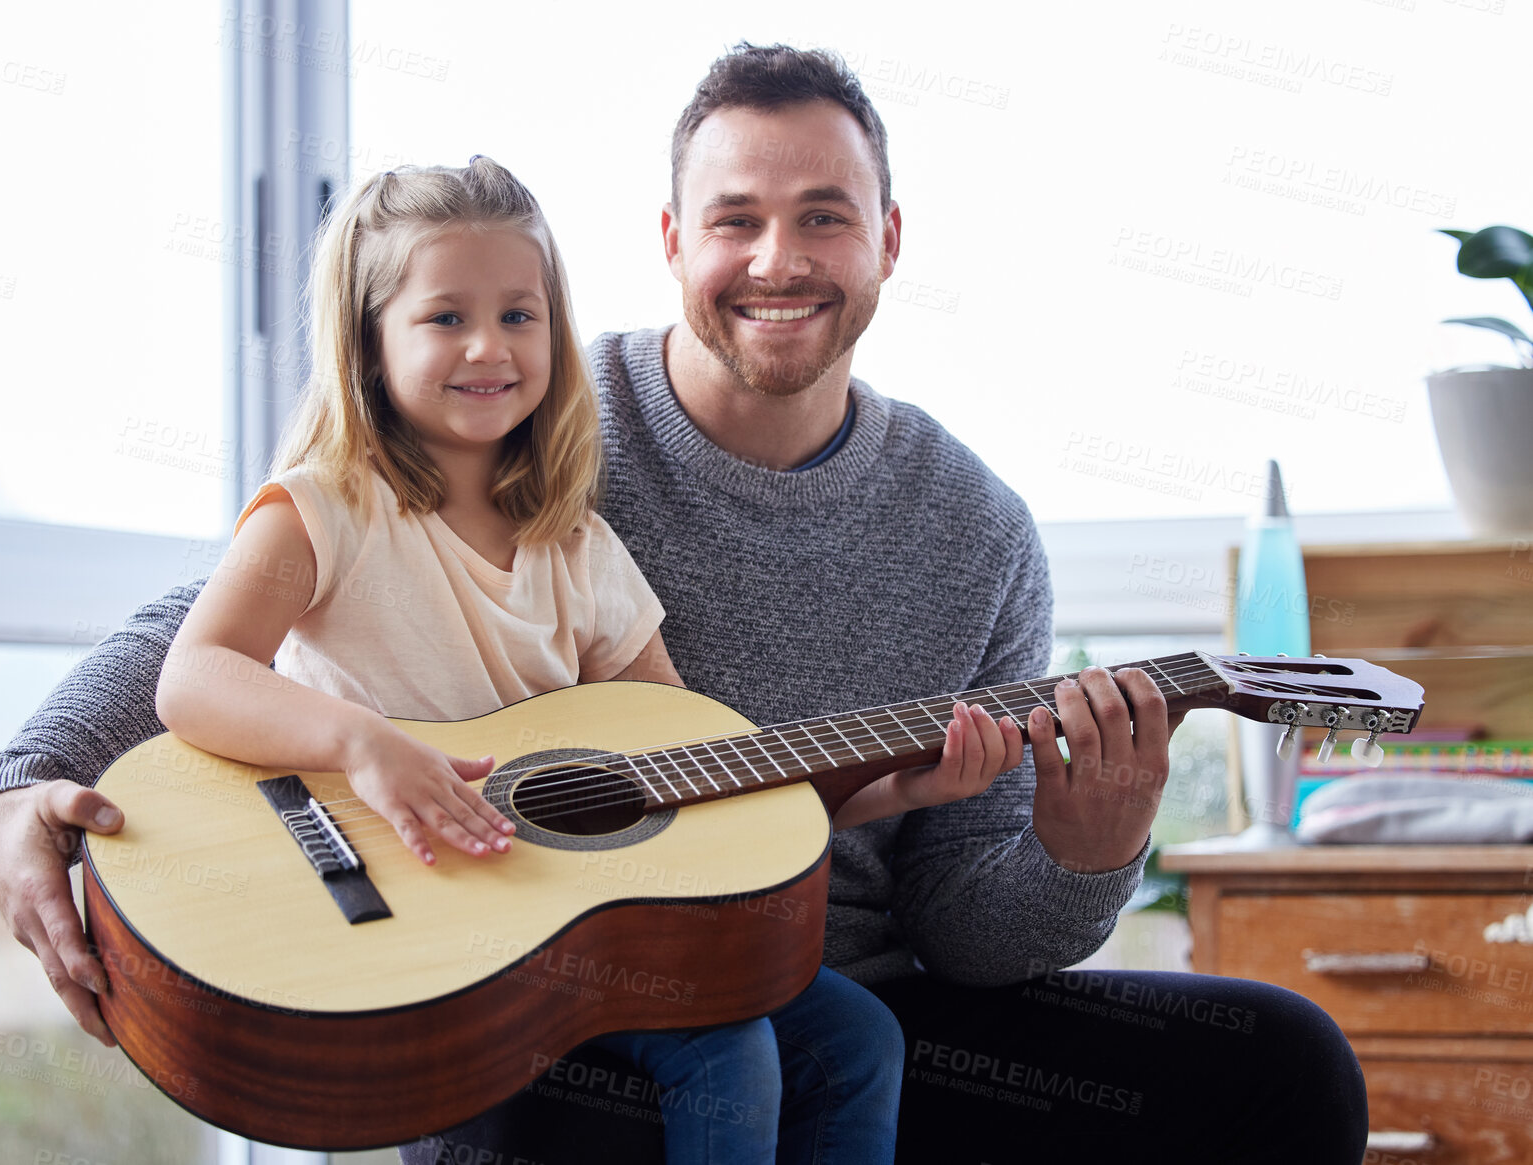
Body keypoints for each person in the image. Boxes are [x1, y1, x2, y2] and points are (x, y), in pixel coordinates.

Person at [0, 44, 1369, 1165]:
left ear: (887, 239)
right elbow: (222, 617)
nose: (779, 260)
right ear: (669, 240)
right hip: (550, 999)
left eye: (824, 216)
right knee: (588, 1107)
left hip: (847, 1002)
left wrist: (1091, 845)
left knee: (1283, 1068)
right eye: (735, 220)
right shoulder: (529, 415)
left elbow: (968, 938)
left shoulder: (978, 530)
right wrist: (17, 791)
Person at [150, 154, 1014, 1164]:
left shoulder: (576, 543)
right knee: (728, 1047)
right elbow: (193, 675)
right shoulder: (324, 509)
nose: (490, 346)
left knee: (859, 1034)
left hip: (563, 915)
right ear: (368, 338)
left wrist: (891, 789)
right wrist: (362, 743)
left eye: (521, 316)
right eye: (444, 317)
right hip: (409, 915)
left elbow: (697, 773)